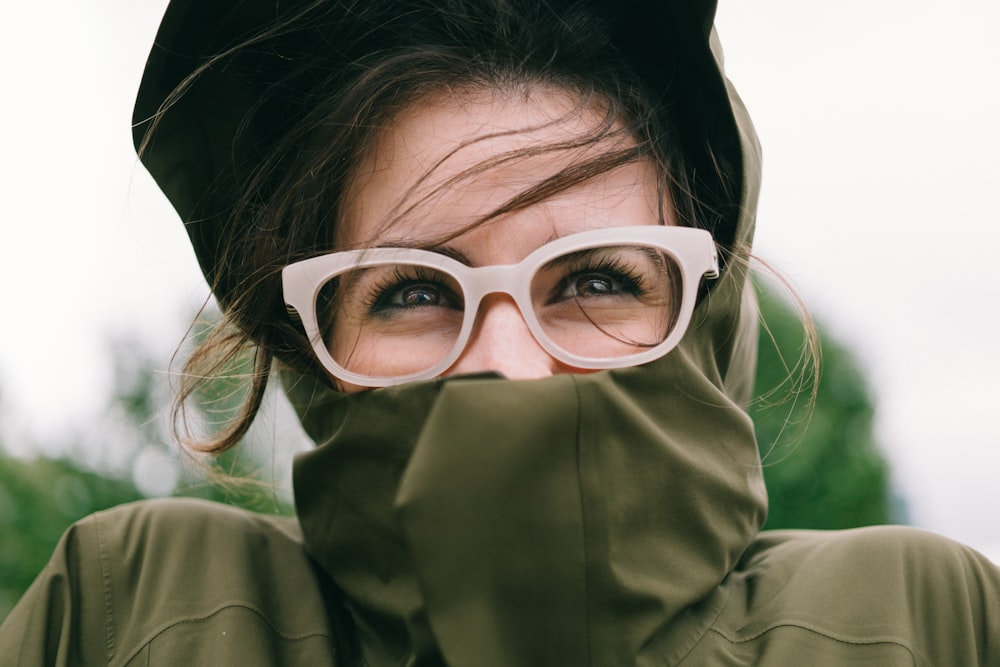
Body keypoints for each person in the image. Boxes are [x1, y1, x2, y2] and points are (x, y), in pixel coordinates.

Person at [1, 0, 997, 664]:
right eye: (410, 292)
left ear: (701, 311)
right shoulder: (130, 609)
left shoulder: (921, 621)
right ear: (313, 345)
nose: (509, 366)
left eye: (597, 279)